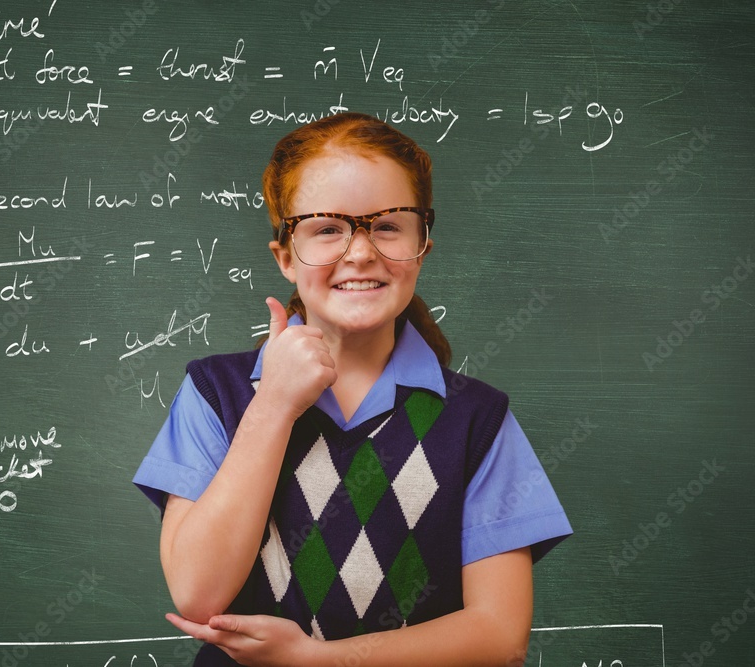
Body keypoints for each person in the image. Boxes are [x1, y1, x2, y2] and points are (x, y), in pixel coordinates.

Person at [132, 112, 572, 666]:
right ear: (286, 257)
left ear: (423, 246)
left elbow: (499, 634)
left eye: (388, 225)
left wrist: (315, 661)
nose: (361, 252)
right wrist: (273, 403)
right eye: (327, 228)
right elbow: (199, 595)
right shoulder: (216, 394)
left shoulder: (477, 420)